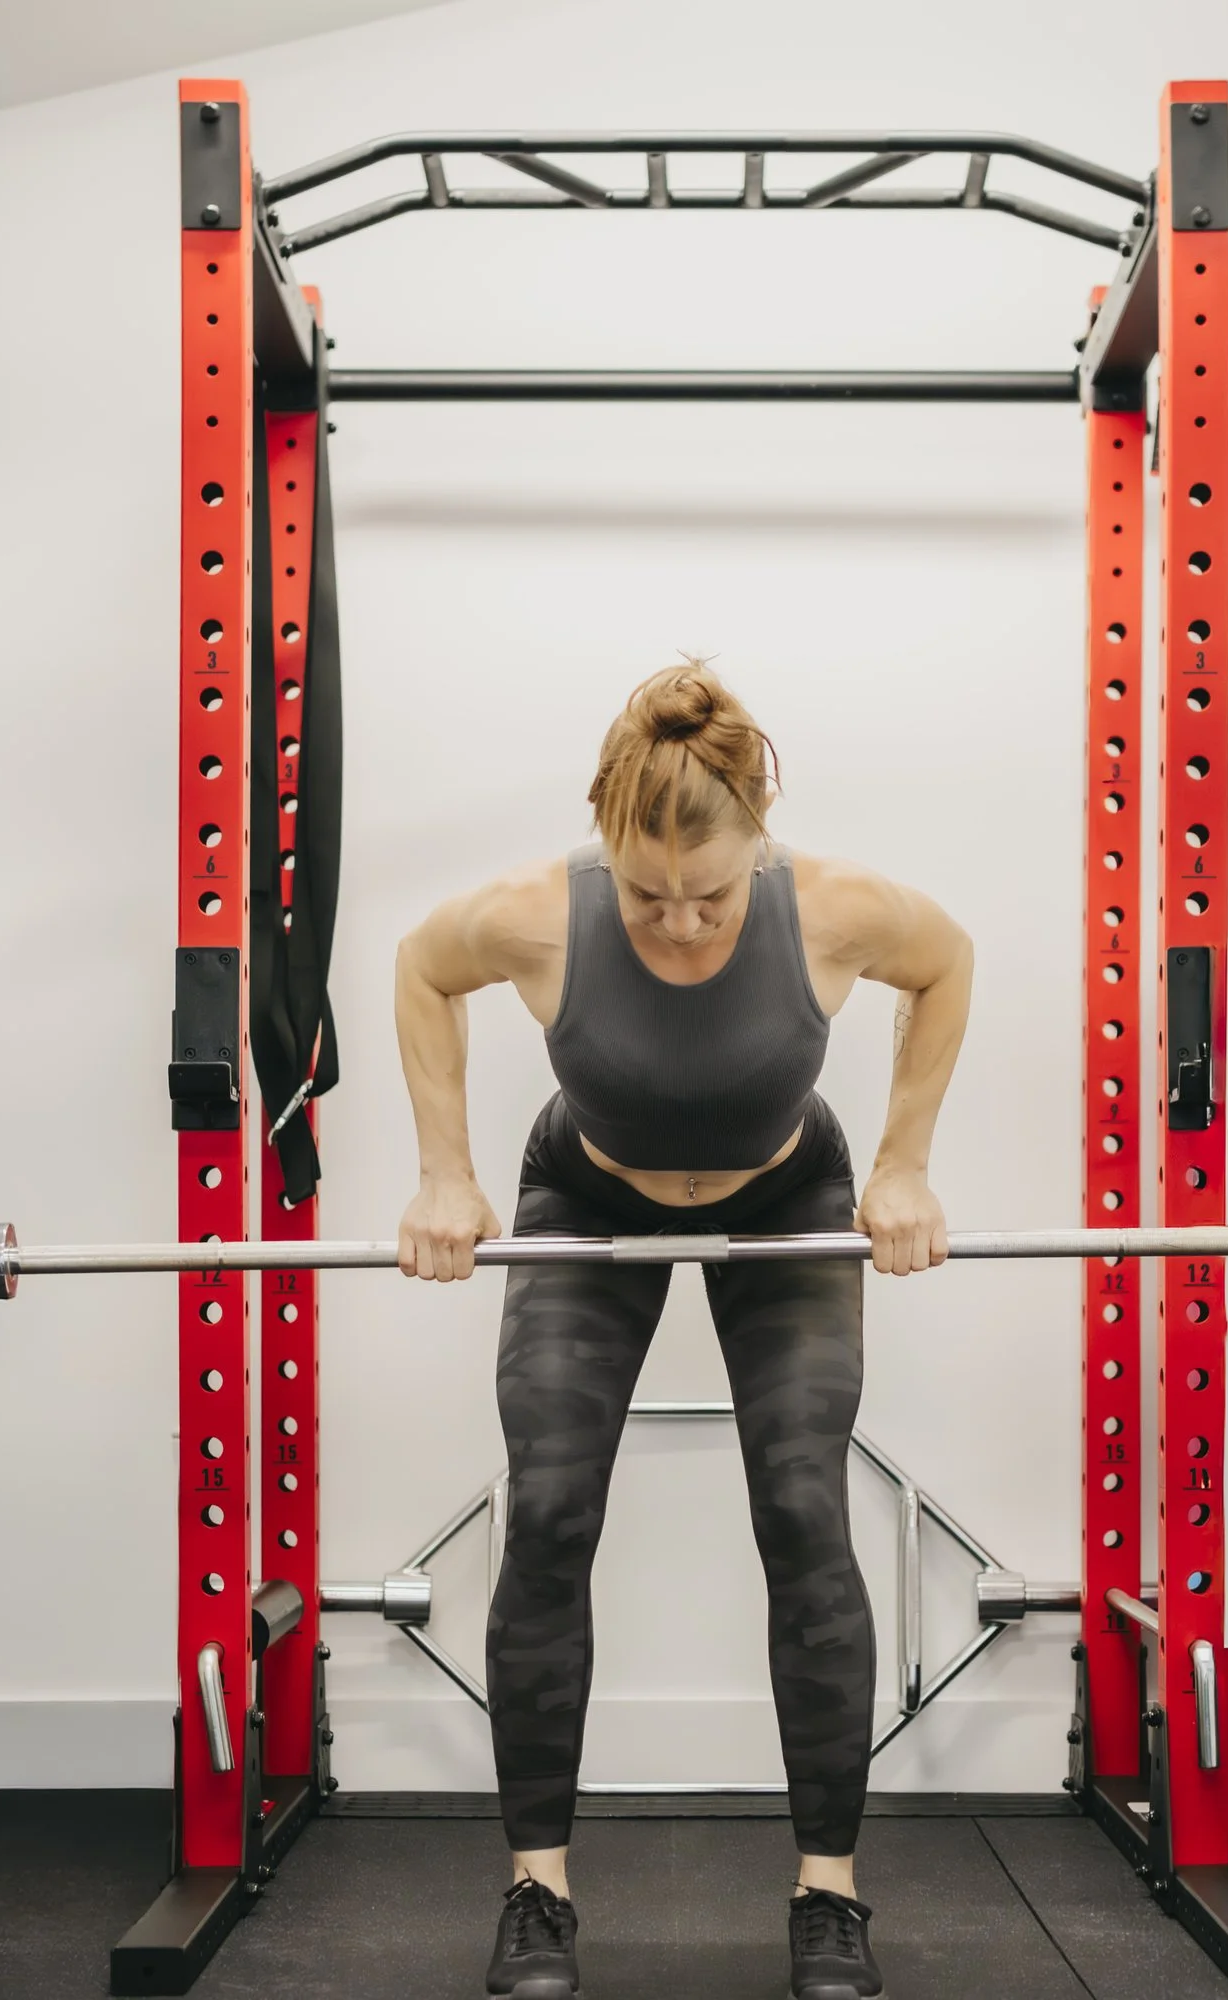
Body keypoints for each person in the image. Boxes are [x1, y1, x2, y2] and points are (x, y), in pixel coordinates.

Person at [394, 662, 973, 2000]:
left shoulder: (829, 906)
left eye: (710, 898)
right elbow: (424, 971)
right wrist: (444, 1172)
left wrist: (903, 1163)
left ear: (756, 838)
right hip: (585, 1197)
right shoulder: (540, 913)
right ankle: (537, 1892)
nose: (679, 925)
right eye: (648, 897)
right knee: (547, 1514)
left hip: (789, 1200)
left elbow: (944, 966)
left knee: (805, 1512)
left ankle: (828, 1899)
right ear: (608, 843)